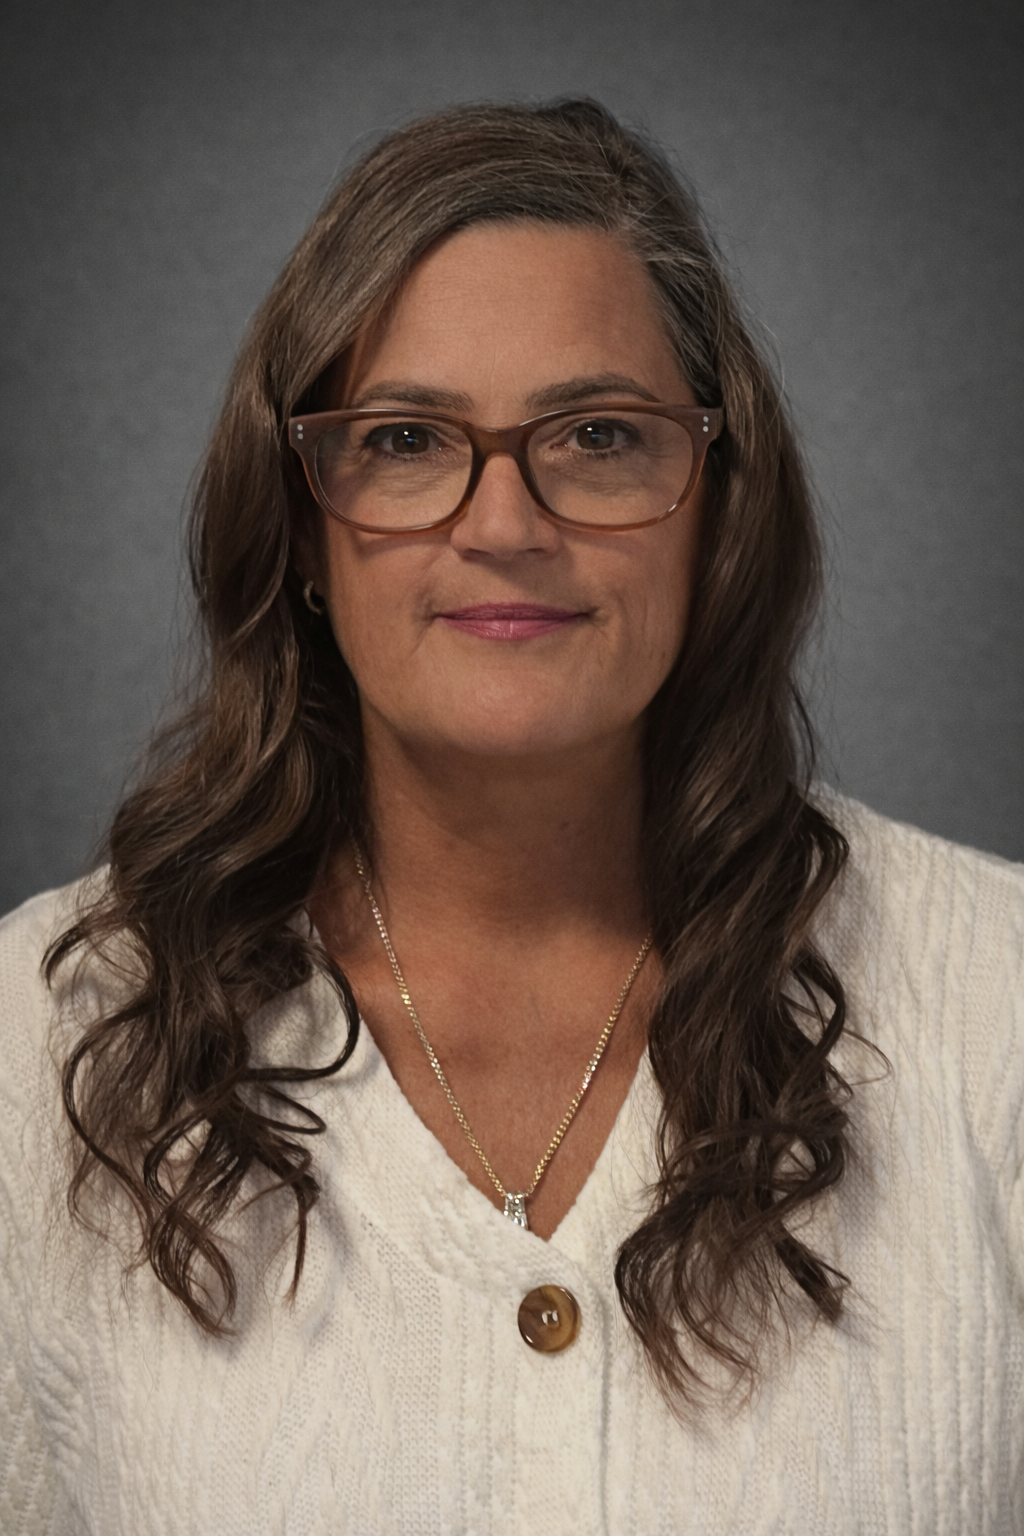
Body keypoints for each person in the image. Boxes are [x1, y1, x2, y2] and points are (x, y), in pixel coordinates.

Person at [1, 99, 1021, 1536]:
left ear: (716, 505)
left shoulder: (1003, 1006)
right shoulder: (37, 1042)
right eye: (408, 438)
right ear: (301, 520)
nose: (504, 523)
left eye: (599, 433)